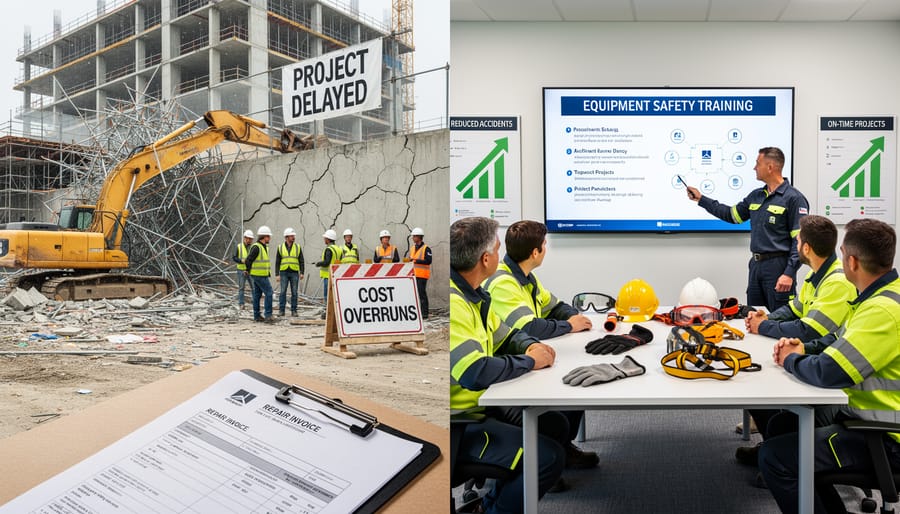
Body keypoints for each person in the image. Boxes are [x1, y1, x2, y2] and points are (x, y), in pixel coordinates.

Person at [759, 218, 900, 513]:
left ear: (851, 261)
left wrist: (790, 360)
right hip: (862, 415)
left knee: (775, 456)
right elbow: (836, 340)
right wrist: (804, 348)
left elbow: (829, 371)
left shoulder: (882, 311)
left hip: (884, 437)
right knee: (784, 424)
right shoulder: (875, 298)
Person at [450, 216, 565, 514]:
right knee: (548, 457)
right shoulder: (456, 303)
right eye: (498, 249)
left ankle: (495, 500)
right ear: (485, 258)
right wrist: (529, 361)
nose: (502, 256)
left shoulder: (475, 295)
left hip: (482, 405)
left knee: (554, 423)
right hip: (459, 422)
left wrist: (528, 345)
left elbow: (505, 334)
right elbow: (474, 371)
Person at [736, 215, 855, 466]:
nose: (796, 244)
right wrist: (765, 318)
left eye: (798, 240)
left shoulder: (836, 281)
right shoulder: (816, 275)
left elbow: (808, 330)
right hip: (813, 353)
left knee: (764, 385)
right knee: (757, 387)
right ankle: (771, 450)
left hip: (827, 363)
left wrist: (763, 326)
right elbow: (794, 309)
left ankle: (779, 459)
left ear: (807, 248)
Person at [686, 147, 809, 312]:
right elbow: (731, 215)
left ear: (770, 167)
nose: (754, 167)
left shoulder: (794, 199)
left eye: (758, 163)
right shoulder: (756, 196)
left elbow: (799, 241)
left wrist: (789, 273)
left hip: (778, 267)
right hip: (756, 266)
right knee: (754, 316)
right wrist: (701, 199)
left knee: (780, 317)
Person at [244, 225, 275, 323]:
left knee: (257, 295)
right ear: (264, 237)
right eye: (268, 236)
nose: (269, 238)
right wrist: (247, 270)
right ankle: (268, 315)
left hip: (260, 275)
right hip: (259, 275)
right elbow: (248, 259)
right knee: (269, 293)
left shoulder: (263, 247)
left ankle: (257, 316)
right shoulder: (257, 247)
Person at [275, 227, 304, 317]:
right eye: (291, 236)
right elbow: (277, 261)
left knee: (294, 292)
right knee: (283, 292)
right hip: (284, 272)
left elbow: (301, 260)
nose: (293, 237)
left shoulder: (297, 247)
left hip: (294, 272)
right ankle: (281, 310)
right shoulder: (280, 247)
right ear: (286, 237)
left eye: (293, 236)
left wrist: (302, 272)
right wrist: (277, 274)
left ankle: (294, 310)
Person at [315, 229, 342, 318]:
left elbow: (327, 262)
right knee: (335, 296)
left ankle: (327, 313)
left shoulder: (329, 249)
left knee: (327, 296)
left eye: (325, 238)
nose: (324, 240)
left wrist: (318, 263)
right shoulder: (338, 249)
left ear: (328, 239)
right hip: (336, 275)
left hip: (328, 275)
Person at [408, 227, 432, 320]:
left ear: (419, 237)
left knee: (422, 294)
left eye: (414, 236)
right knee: (415, 294)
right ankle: (418, 312)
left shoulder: (426, 248)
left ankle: (424, 314)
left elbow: (428, 261)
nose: (413, 238)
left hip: (422, 275)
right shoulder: (412, 248)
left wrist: (415, 260)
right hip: (413, 275)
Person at [232, 229, 253, 309]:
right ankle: (241, 304)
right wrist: (241, 261)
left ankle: (255, 303)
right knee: (241, 288)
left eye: (251, 239)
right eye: (249, 238)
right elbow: (234, 257)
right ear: (245, 238)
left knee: (254, 287)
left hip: (250, 270)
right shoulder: (239, 247)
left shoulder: (253, 248)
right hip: (241, 270)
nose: (250, 240)